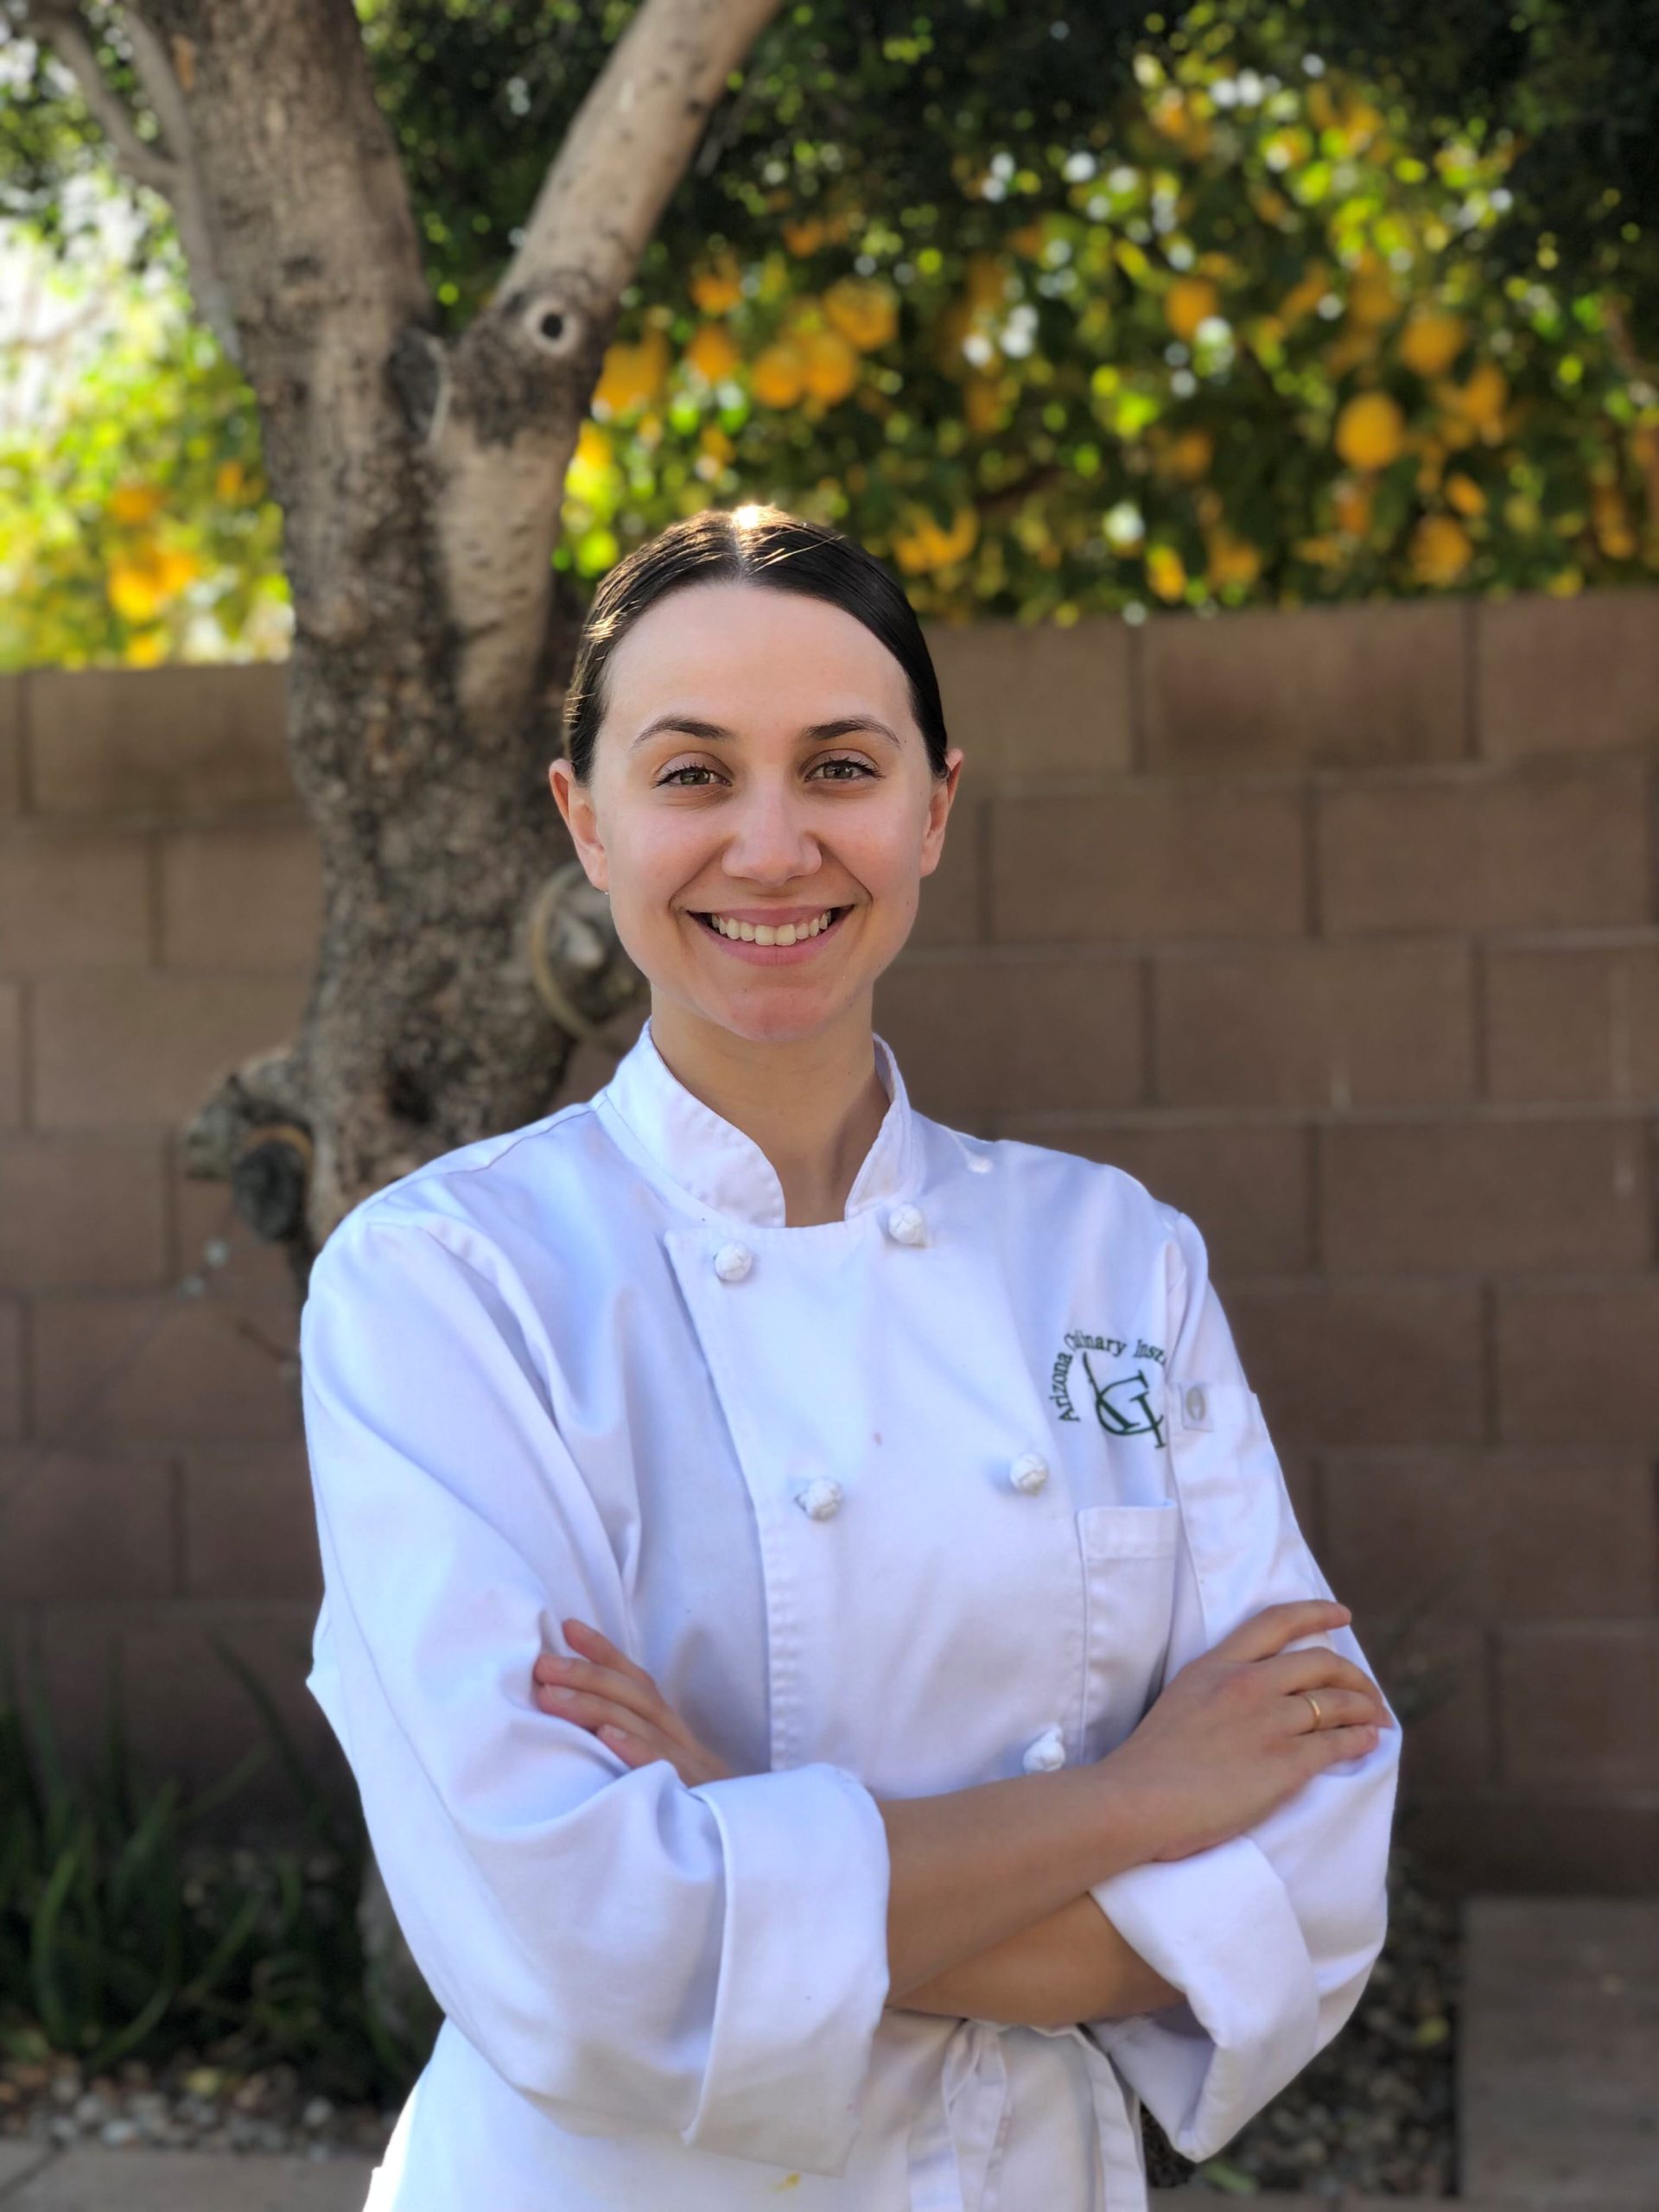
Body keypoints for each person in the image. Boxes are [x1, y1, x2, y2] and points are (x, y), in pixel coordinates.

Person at [300, 502, 1402, 2212]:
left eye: (837, 765)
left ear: (934, 806)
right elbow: (581, 1946)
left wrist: (743, 1830)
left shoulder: (1112, 1259)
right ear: (584, 824)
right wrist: (1139, 1802)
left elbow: (1310, 1862)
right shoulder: (445, 1284)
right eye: (691, 774)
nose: (771, 842)